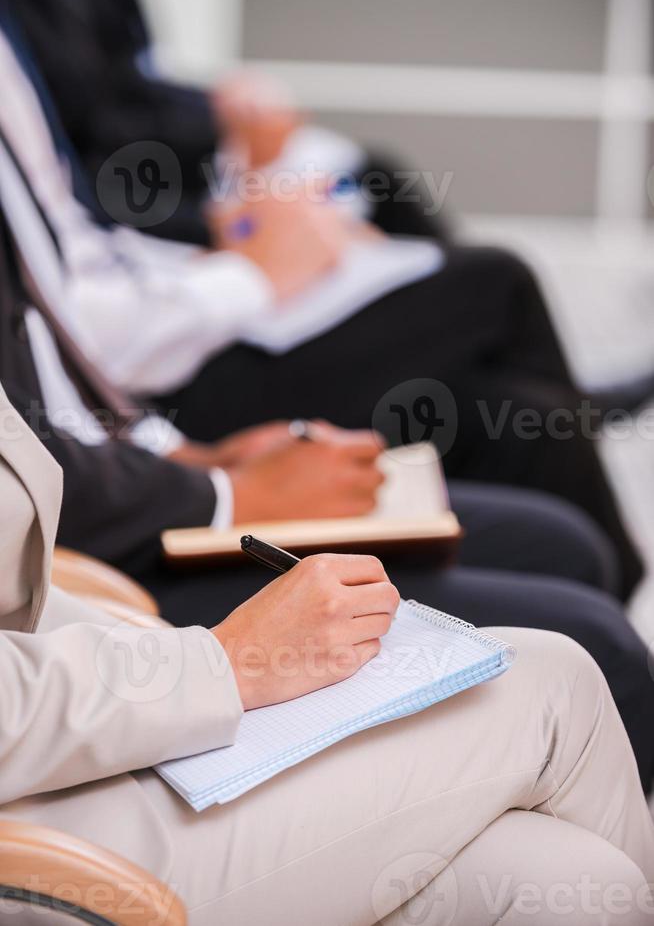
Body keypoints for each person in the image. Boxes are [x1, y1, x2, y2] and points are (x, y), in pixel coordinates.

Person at [0, 0, 643, 599]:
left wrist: (183, 452)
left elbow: (77, 260)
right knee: (495, 284)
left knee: (526, 425)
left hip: (134, 424)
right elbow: (60, 378)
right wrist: (252, 275)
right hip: (121, 475)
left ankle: (574, 431)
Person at [2, 209, 654, 793]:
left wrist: (187, 456)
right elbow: (47, 438)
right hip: (91, 575)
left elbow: (64, 335)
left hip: (125, 466)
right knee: (594, 644)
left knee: (550, 505)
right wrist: (228, 489)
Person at [1, 381, 654, 926]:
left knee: (579, 882)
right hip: (38, 831)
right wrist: (228, 661)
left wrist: (157, 647)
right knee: (554, 683)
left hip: (72, 741)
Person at [5, 0, 450, 246]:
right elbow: (89, 119)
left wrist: (226, 104)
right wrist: (222, 131)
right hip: (148, 187)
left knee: (377, 181)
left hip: (194, 160)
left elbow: (135, 75)